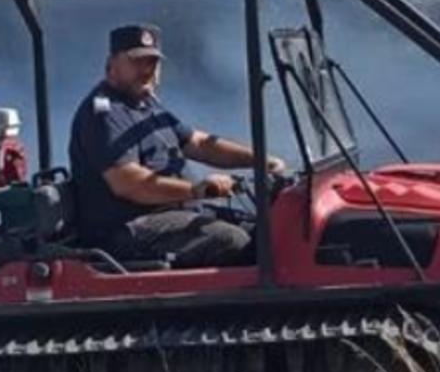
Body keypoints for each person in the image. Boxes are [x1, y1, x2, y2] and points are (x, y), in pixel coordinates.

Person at [68, 23, 285, 265]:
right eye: (137, 61)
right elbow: (129, 184)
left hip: (171, 214)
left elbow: (199, 143)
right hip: (129, 228)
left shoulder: (146, 103)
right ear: (112, 65)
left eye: (153, 62)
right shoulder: (105, 113)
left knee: (267, 231)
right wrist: (197, 190)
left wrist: (261, 160)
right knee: (233, 241)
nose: (147, 70)